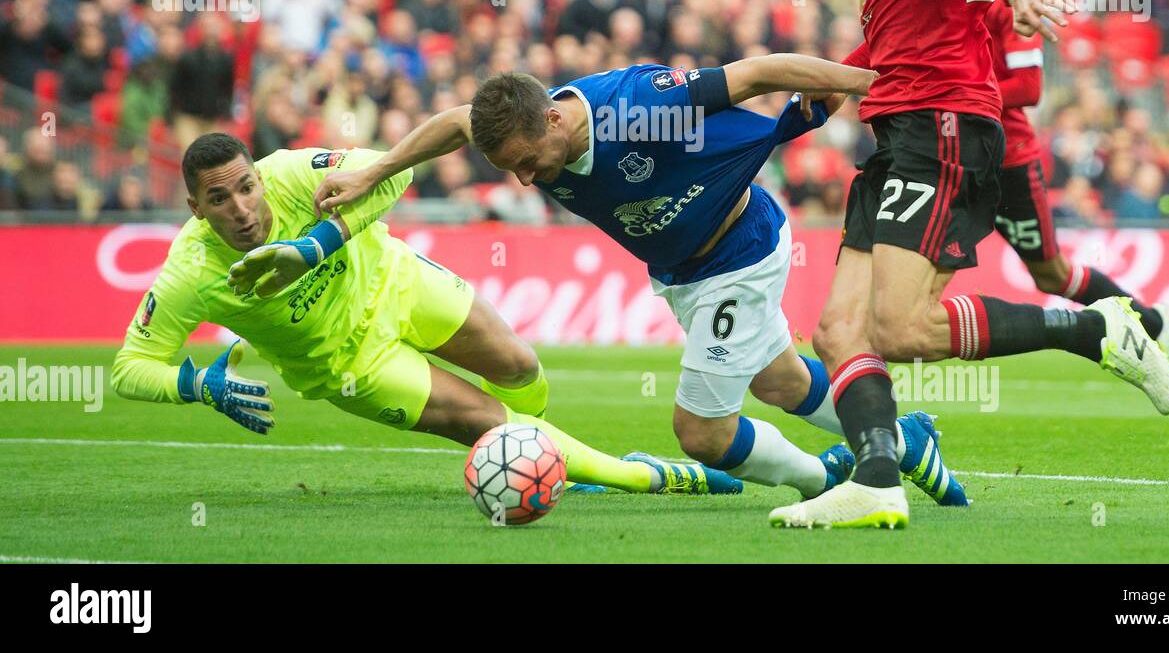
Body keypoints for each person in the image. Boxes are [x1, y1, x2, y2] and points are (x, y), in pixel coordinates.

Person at [768, 0, 1169, 530]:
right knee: (838, 329)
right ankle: (879, 480)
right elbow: (893, 38)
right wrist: (824, 90)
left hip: (942, 125)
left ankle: (1095, 328)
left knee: (901, 327)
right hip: (900, 127)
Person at [314, 53, 970, 507]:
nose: (525, 180)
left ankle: (818, 481)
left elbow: (758, 74)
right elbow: (457, 120)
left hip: (737, 255)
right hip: (686, 271)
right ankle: (899, 435)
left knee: (701, 432)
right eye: (510, 169)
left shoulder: (638, 108)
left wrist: (873, 83)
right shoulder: (520, 125)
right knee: (782, 380)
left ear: (552, 120)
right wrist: (374, 172)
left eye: (526, 162)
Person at [112, 133, 741, 498]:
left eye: (245, 187)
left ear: (256, 174)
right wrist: (193, 384)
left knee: (520, 366)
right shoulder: (190, 272)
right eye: (219, 199)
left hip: (396, 282)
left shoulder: (294, 173)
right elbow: (129, 368)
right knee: (492, 424)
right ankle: (644, 477)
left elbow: (395, 170)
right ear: (196, 207)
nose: (242, 208)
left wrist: (316, 245)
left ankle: (548, 456)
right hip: (353, 364)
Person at [967, 0, 1169, 362]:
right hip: (958, 156)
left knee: (1053, 275)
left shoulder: (1013, 1)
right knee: (925, 270)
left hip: (1007, 161)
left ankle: (1152, 324)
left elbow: (1028, 86)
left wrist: (959, 98)